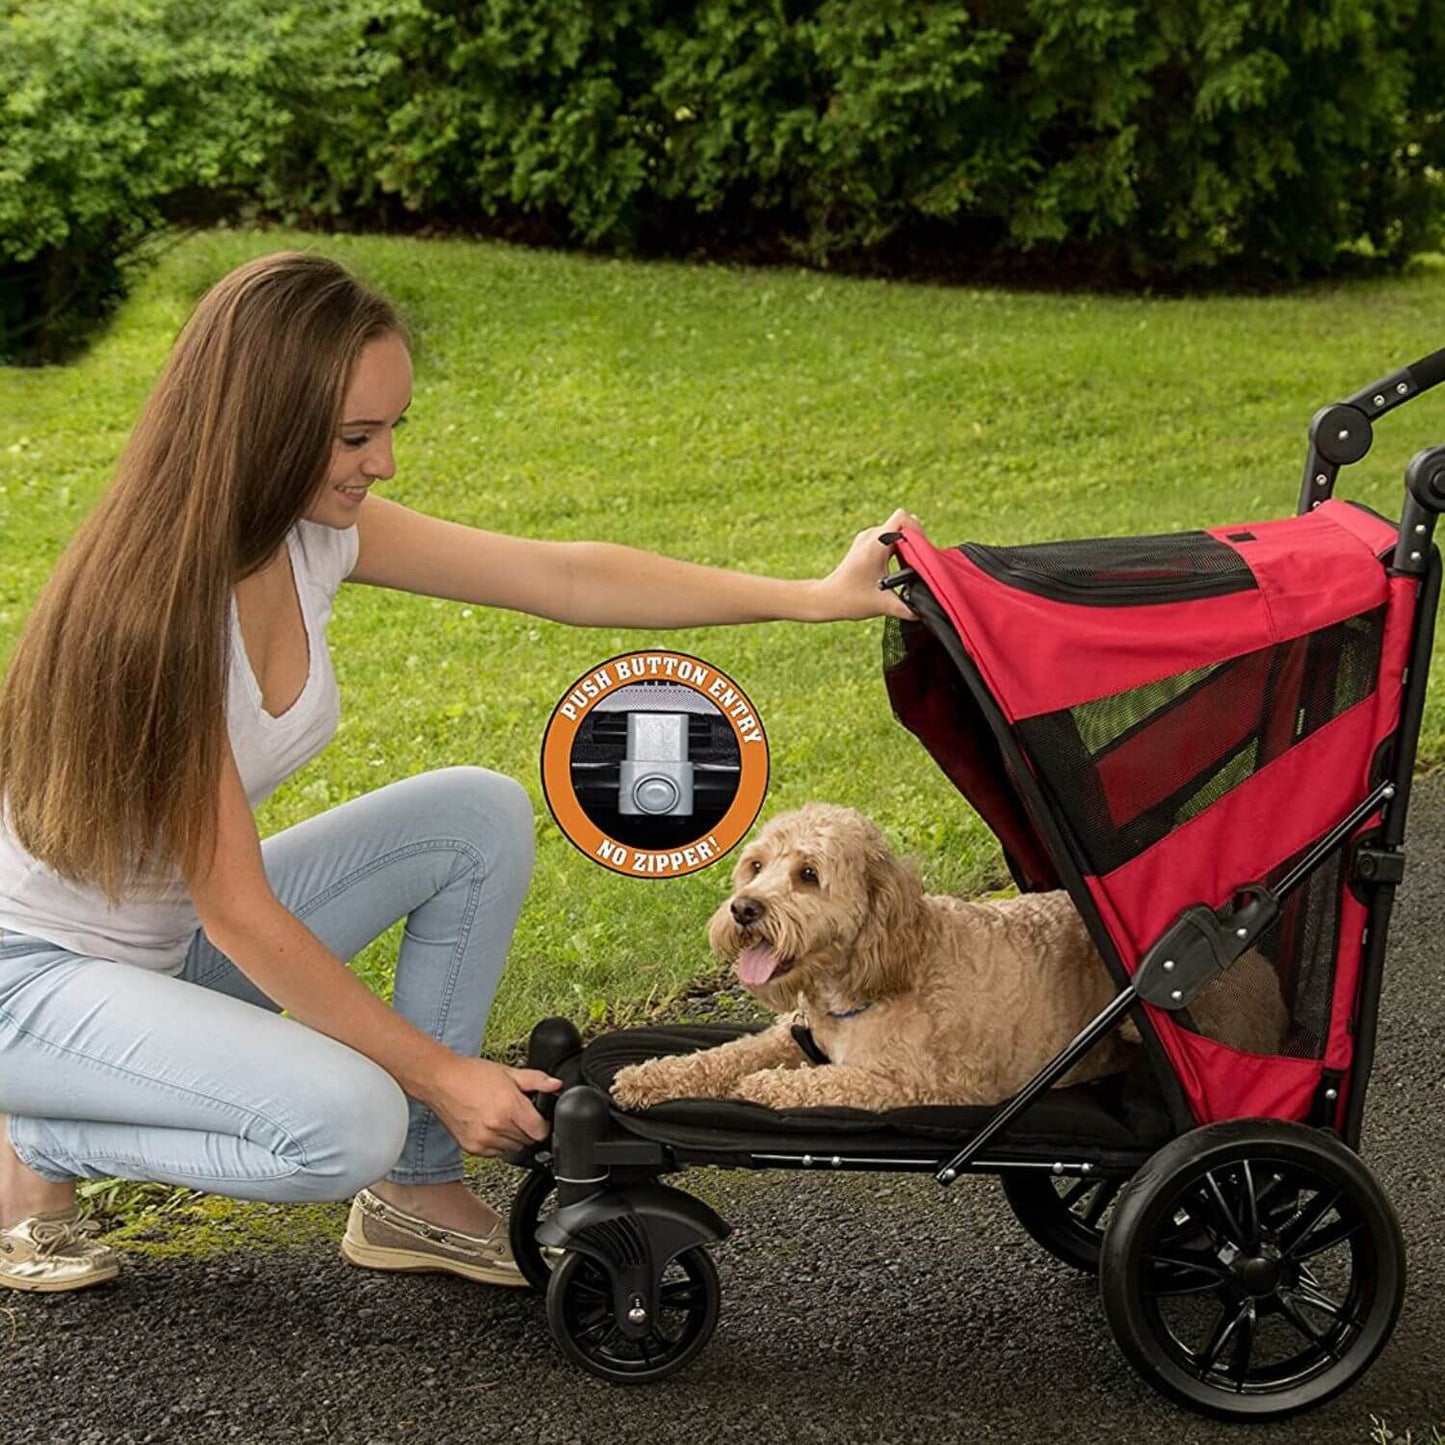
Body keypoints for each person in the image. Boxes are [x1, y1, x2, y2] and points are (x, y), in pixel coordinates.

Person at [0, 251, 917, 1292]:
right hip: (29, 980)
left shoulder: (306, 534)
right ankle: (44, 1138)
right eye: (355, 435)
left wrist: (808, 594)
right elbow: (241, 914)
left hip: (157, 954)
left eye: (391, 428)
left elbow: (561, 574)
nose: (383, 460)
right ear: (261, 424)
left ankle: (415, 1197)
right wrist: (439, 1075)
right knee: (349, 1121)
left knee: (470, 815)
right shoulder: (161, 617)